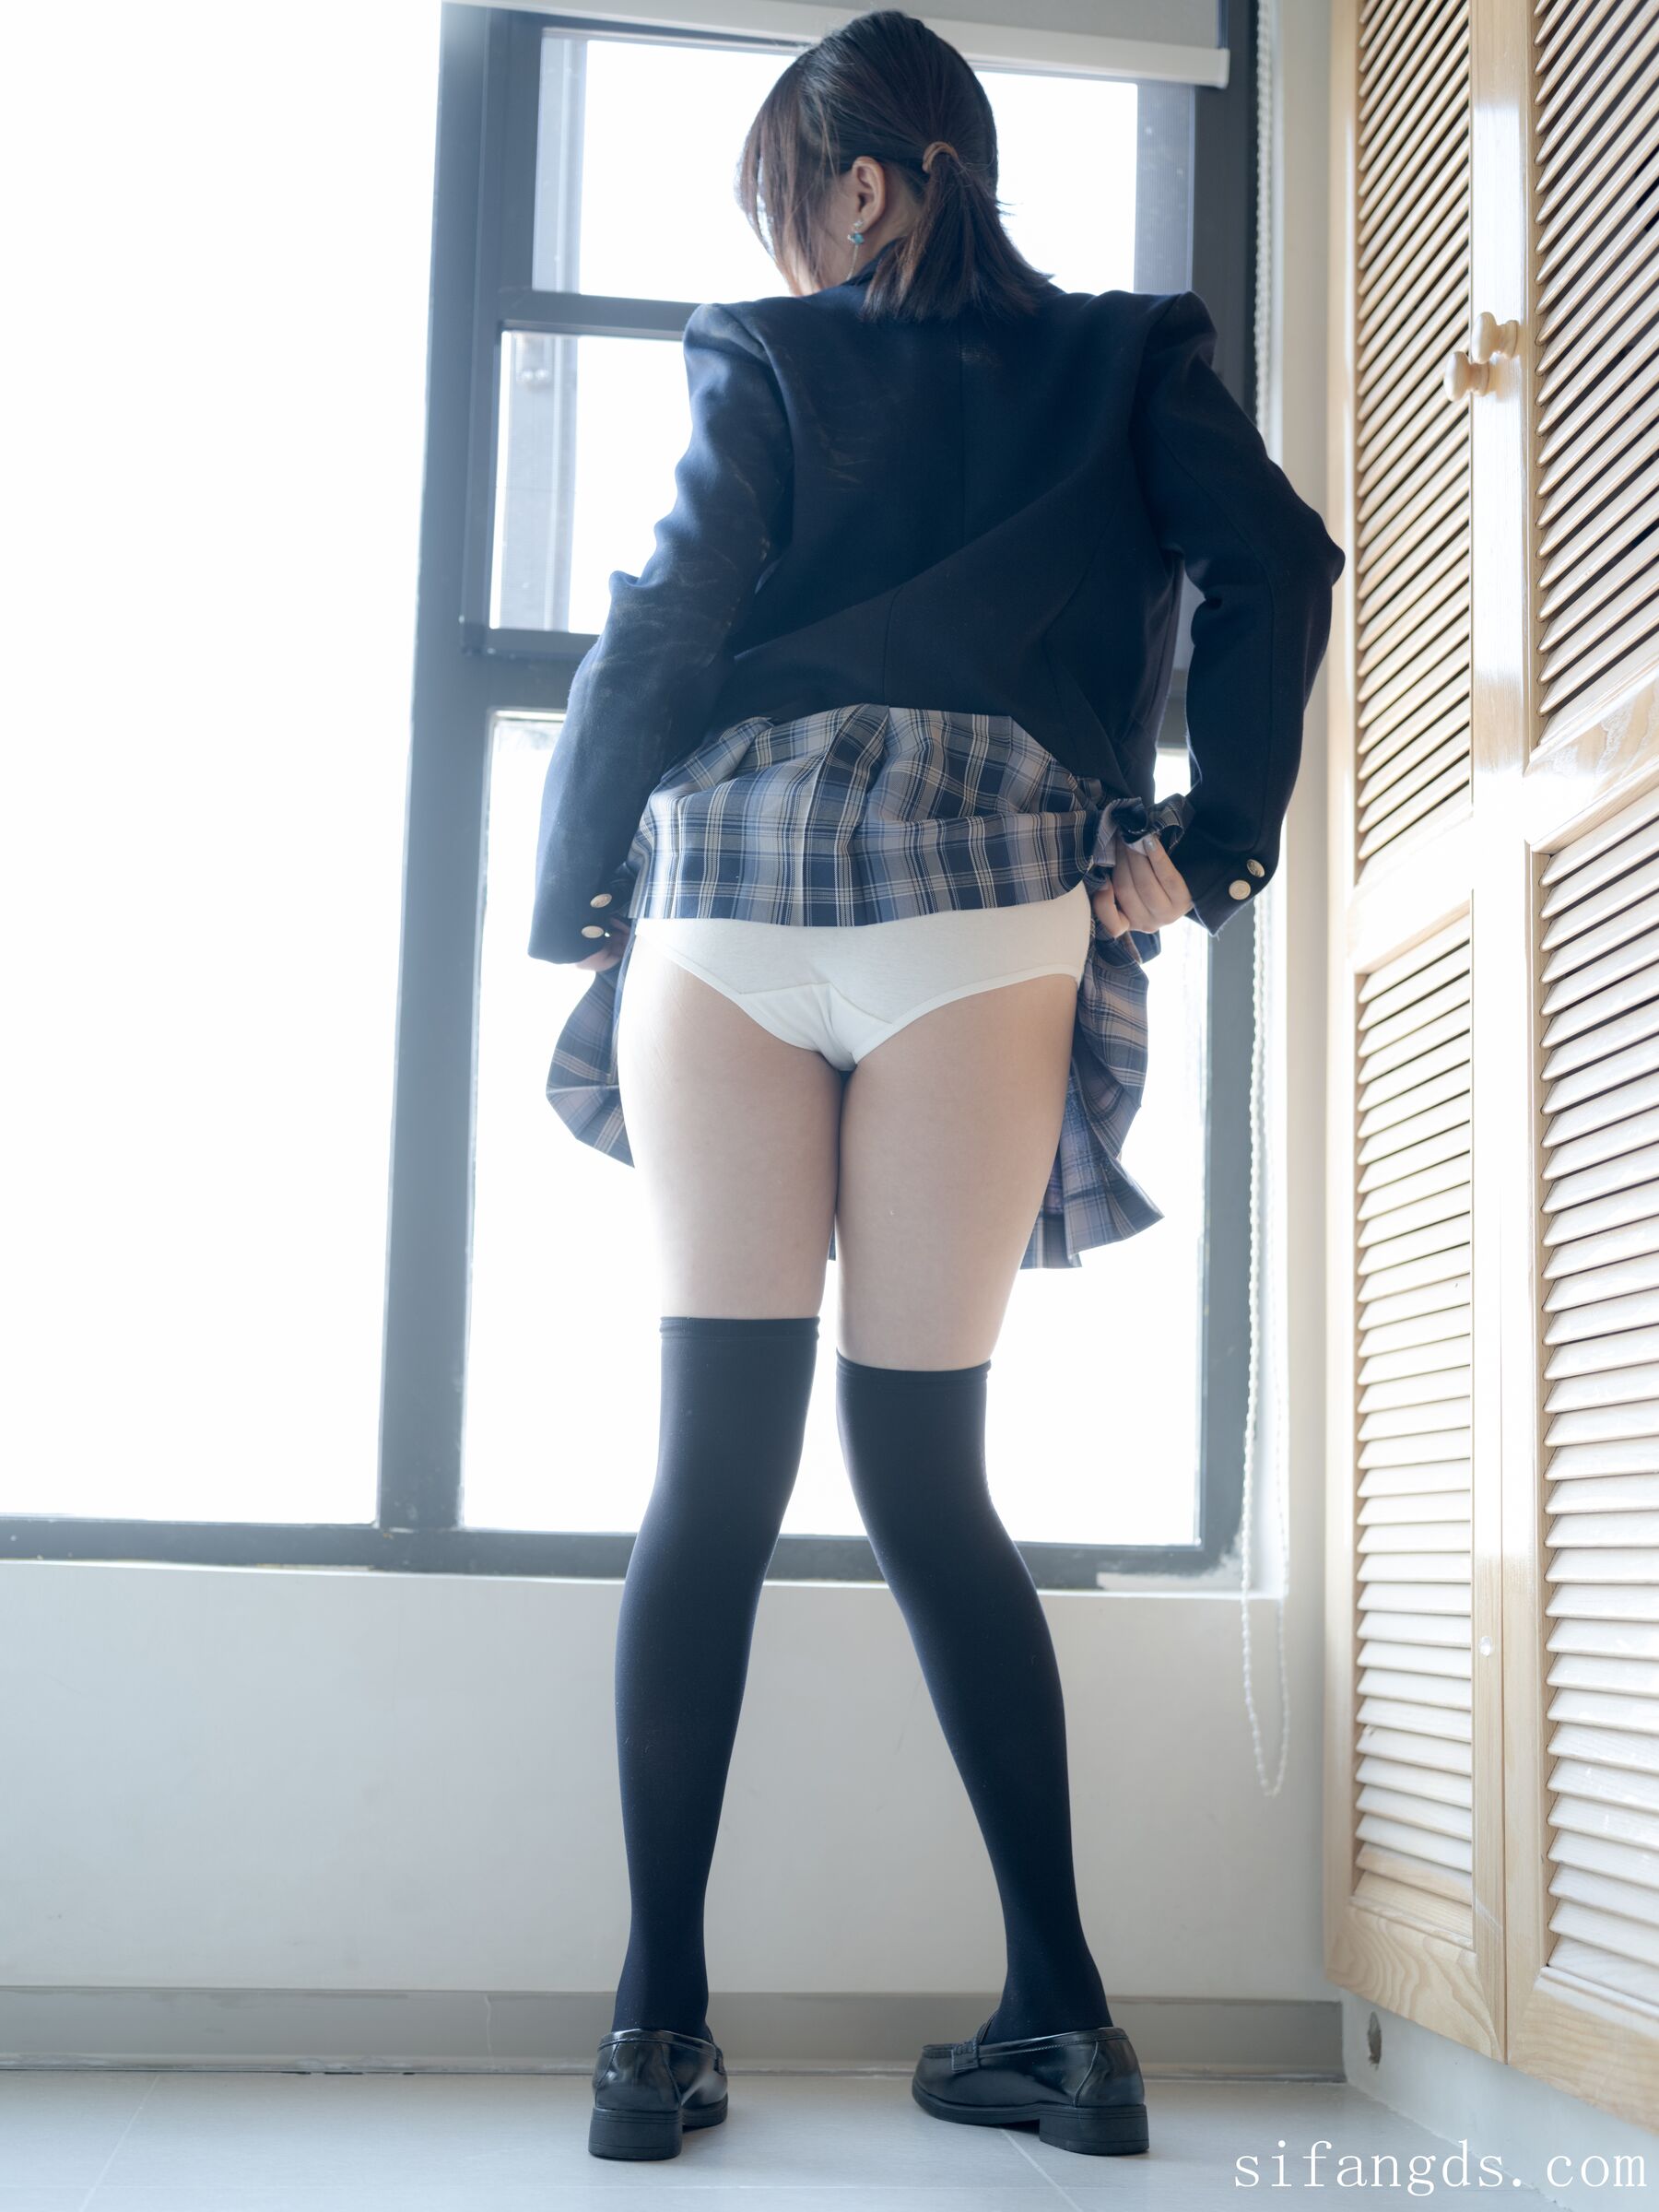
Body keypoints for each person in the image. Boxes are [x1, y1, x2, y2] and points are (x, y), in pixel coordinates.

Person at [526, 6, 1345, 2168]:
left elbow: (667, 616)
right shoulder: (1133, 354)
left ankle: (652, 2033)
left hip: (738, 890)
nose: (788, 255)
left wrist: (578, 887)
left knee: (711, 1473)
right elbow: (1279, 562)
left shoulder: (770, 356)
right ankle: (1062, 2028)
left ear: (872, 185)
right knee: (924, 1473)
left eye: (795, 210)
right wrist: (1217, 840)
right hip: (986, 902)